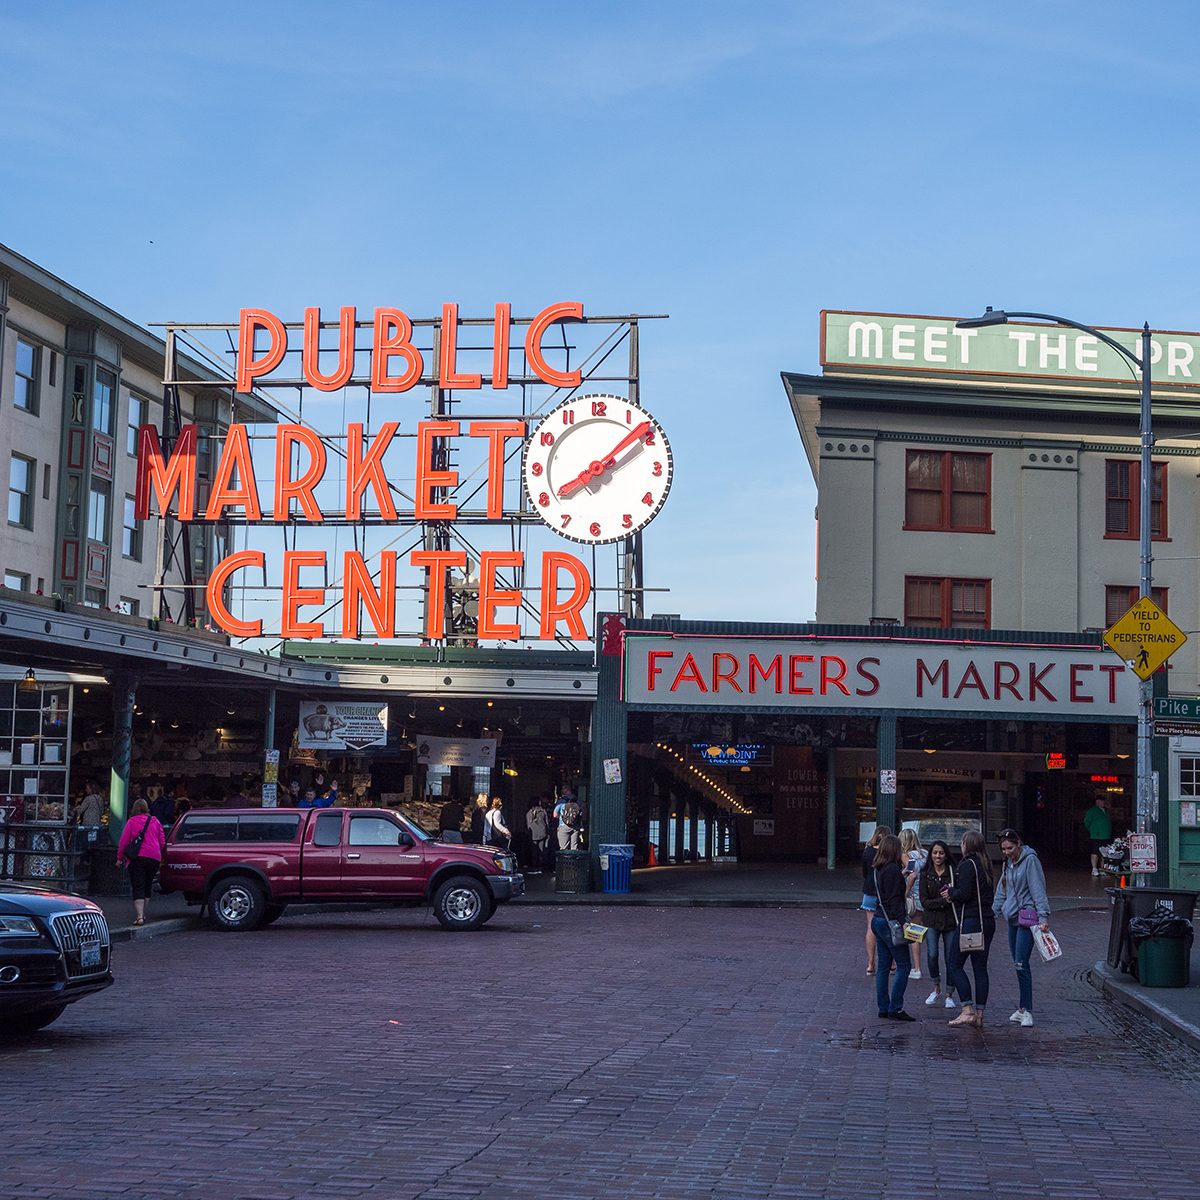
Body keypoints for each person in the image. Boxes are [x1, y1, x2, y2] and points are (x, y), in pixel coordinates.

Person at [992, 827, 1051, 1028]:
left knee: (1021, 964)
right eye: (1003, 849)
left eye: (1009, 848)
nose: (1007, 852)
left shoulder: (1031, 861)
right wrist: (994, 911)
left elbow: (1038, 889)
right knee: (1017, 964)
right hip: (1012, 919)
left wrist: (1043, 916)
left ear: (1018, 844)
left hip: (1026, 918)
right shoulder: (1008, 864)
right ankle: (1022, 1008)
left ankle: (1027, 1010)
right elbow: (1003, 888)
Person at [941, 830, 996, 1029]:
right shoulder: (987, 864)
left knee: (954, 963)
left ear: (966, 844)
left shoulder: (967, 865)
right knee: (980, 967)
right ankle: (980, 1014)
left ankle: (967, 1010)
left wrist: (951, 892)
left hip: (971, 921)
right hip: (987, 920)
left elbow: (964, 894)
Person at [869, 834, 916, 1021]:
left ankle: (883, 1006)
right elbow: (896, 900)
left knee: (883, 967)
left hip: (878, 918)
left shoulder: (878, 869)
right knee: (904, 965)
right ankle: (895, 1007)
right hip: (891, 921)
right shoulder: (893, 870)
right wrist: (903, 921)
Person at [917, 840, 958, 1009]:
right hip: (931, 920)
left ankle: (949, 993)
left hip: (949, 921)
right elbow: (924, 901)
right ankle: (936, 987)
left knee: (951, 958)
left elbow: (956, 895)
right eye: (934, 853)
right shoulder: (925, 873)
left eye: (941, 853)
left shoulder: (953, 872)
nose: (937, 856)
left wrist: (946, 900)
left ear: (946, 854)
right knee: (932, 954)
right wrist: (944, 900)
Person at [116, 799, 166, 927]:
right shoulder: (155, 821)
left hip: (137, 858)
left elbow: (124, 842)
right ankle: (143, 914)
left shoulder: (131, 822)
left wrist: (119, 857)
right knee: (147, 885)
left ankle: (139, 916)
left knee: (138, 886)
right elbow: (162, 841)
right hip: (154, 857)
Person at [860, 824, 892, 975]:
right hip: (885, 893)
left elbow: (865, 872)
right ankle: (892, 962)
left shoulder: (867, 851)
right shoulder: (890, 853)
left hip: (869, 891)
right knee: (890, 925)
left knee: (870, 927)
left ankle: (870, 963)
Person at [899, 828, 927, 980]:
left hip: (914, 897)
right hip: (926, 897)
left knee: (913, 931)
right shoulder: (925, 854)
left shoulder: (906, 855)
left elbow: (912, 875)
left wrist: (906, 892)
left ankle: (916, 968)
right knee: (922, 928)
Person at [1084, 796, 1112, 877]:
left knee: (1104, 853)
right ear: (1098, 802)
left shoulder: (1106, 811)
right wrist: (1093, 830)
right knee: (1095, 852)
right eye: (1102, 801)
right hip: (1096, 835)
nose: (1104, 803)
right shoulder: (1092, 811)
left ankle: (1103, 869)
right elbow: (1087, 821)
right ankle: (1094, 869)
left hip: (1106, 835)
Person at [526, 797, 550, 869]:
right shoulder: (543, 811)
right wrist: (547, 831)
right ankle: (541, 866)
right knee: (542, 850)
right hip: (542, 833)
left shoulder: (529, 813)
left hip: (533, 833)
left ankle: (534, 866)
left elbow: (527, 825)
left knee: (534, 851)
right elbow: (547, 823)